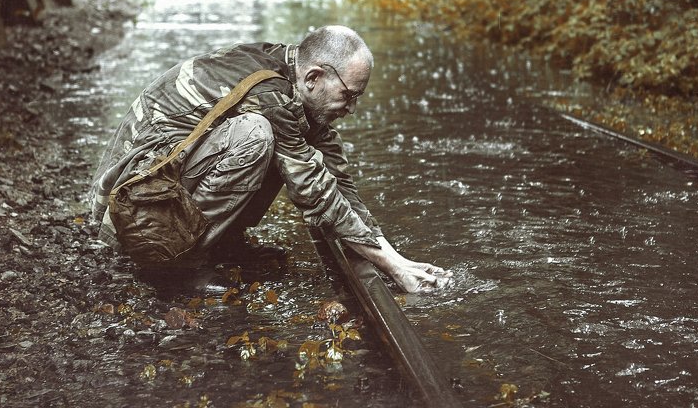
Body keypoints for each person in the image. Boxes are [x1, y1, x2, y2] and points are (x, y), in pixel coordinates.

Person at [88, 25, 452, 292]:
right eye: (348, 96)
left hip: (161, 189)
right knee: (257, 134)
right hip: (134, 207)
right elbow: (314, 191)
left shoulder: (296, 86)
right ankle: (178, 268)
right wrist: (389, 264)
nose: (352, 109)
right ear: (314, 77)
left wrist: (396, 258)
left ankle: (219, 243)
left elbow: (340, 184)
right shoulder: (271, 95)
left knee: (285, 139)